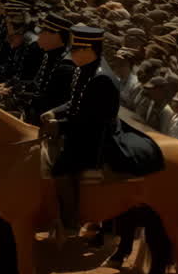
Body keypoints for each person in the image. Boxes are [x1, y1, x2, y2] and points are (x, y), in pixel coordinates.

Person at [44, 25, 163, 232]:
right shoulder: (84, 69)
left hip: (98, 136)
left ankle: (71, 219)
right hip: (82, 128)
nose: (72, 54)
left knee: (60, 169)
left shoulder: (101, 78)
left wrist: (61, 125)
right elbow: (76, 103)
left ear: (89, 50)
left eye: (75, 50)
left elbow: (94, 119)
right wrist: (54, 112)